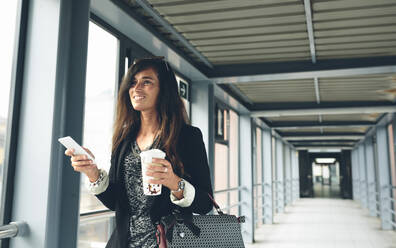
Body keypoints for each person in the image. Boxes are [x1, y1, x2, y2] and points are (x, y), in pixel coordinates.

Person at [65, 57, 213, 248]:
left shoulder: (187, 137)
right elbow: (116, 203)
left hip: (171, 242)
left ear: (163, 90)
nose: (137, 88)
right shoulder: (124, 140)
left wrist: (174, 182)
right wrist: (93, 174)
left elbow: (205, 204)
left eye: (147, 82)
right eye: (133, 83)